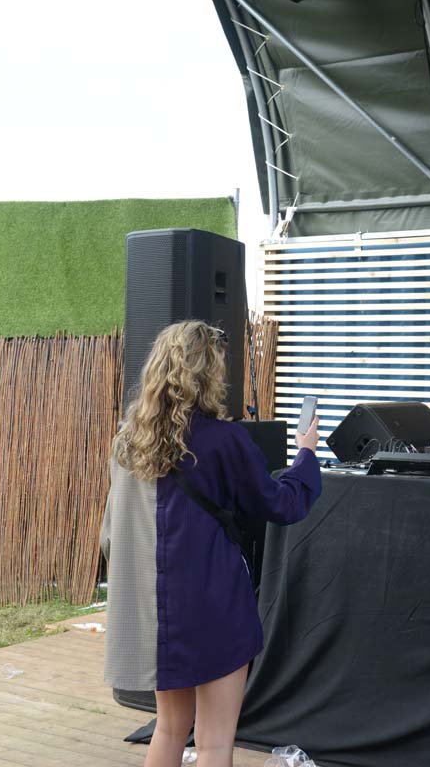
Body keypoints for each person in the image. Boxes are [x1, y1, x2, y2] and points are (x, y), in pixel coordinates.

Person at [100, 320, 322, 767]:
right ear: (210, 373)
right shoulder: (224, 441)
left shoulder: (127, 441)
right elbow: (282, 504)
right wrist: (307, 455)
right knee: (215, 742)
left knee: (169, 728)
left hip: (159, 613)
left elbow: (111, 532)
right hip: (215, 603)